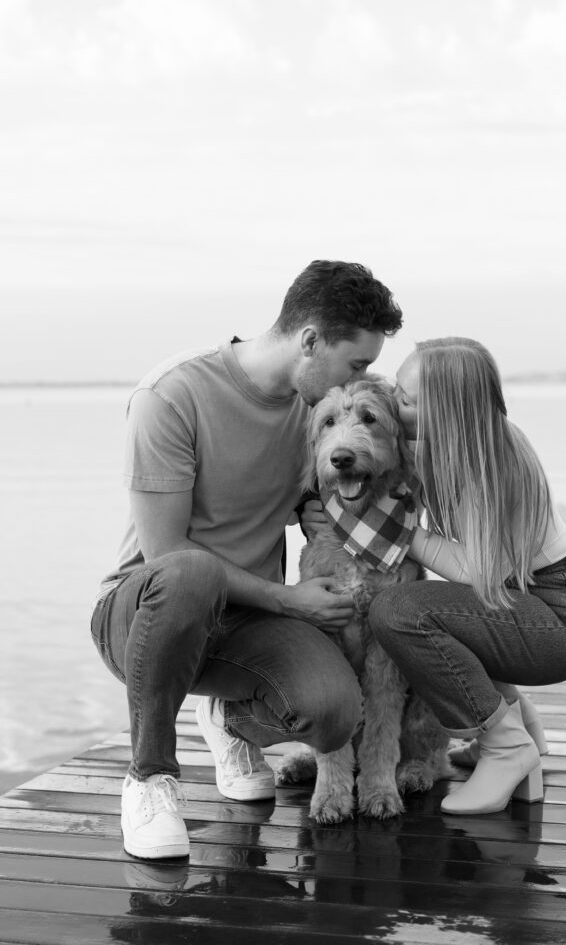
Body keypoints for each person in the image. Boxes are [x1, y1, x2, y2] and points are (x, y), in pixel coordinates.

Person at [90, 260, 403, 859]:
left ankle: (229, 719)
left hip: (247, 622)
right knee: (191, 572)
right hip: (145, 615)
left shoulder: (314, 418)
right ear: (310, 341)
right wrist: (291, 600)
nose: (362, 377)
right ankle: (149, 778)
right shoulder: (172, 394)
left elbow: (345, 474)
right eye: (357, 364)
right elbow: (164, 554)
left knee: (334, 710)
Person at [364, 336, 566, 815]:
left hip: (562, 619)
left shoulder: (492, 463)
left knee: (398, 610)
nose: (394, 402)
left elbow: (478, 575)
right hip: (543, 599)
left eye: (407, 400)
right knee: (443, 608)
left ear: (447, 412)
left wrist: (396, 532)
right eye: (396, 386)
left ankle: (506, 747)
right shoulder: (465, 445)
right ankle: (525, 735)